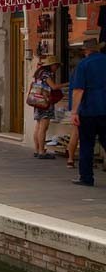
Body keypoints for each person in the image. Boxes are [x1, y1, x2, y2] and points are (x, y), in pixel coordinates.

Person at [70, 39, 106, 186]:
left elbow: (79, 90)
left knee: (86, 145)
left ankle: (86, 177)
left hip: (88, 110)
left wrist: (74, 112)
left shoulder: (83, 65)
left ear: (86, 51)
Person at [32, 56, 66, 160]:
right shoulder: (46, 74)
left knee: (38, 126)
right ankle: (42, 151)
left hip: (37, 101)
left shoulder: (39, 73)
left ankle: (37, 150)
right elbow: (54, 87)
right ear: (51, 65)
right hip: (45, 102)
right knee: (43, 127)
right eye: (56, 66)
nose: (57, 68)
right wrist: (68, 84)